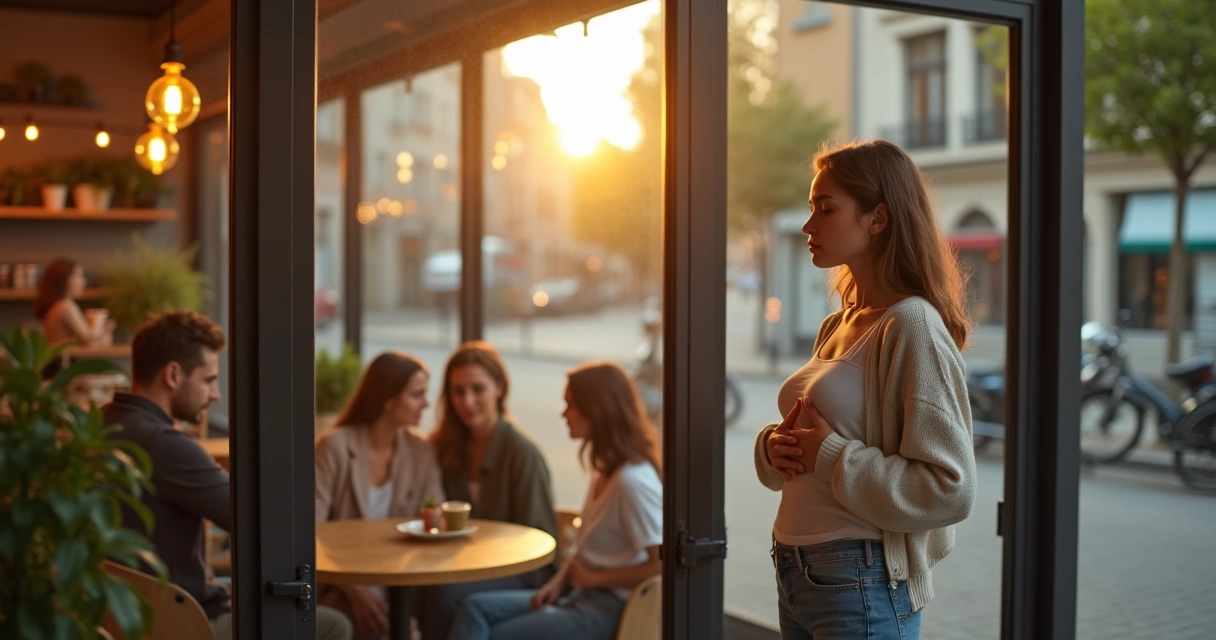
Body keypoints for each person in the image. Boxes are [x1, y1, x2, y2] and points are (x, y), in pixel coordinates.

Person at [753, 140, 977, 640]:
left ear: (878, 219)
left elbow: (950, 488)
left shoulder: (912, 325)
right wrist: (774, 447)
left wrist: (831, 456)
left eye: (825, 209)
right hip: (796, 569)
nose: (809, 225)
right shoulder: (839, 323)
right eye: (811, 209)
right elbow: (815, 444)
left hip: (860, 579)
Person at [103, 311, 352, 640]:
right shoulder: (163, 444)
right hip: (177, 620)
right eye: (208, 380)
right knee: (335, 625)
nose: (216, 394)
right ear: (173, 375)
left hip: (120, 613)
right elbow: (264, 522)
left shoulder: (100, 424)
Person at [447, 361, 662, 640]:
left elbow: (663, 566)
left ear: (596, 410)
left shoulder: (632, 482)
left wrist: (595, 580)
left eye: (571, 404)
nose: (564, 414)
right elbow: (585, 554)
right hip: (578, 594)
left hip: (607, 609)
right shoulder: (604, 470)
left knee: (498, 634)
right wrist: (557, 583)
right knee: (473, 608)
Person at [416, 341, 560, 639]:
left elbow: (539, 543)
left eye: (477, 389)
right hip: (461, 567)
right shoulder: (444, 448)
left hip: (522, 572)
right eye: (458, 391)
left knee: (444, 594)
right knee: (416, 589)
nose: (467, 401)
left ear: (499, 388)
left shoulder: (522, 454)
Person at [315, 351, 445, 638]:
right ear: (388, 400)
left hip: (402, 583)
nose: (426, 404)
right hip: (340, 584)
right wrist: (357, 592)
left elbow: (436, 518)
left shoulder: (421, 452)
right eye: (417, 395)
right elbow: (309, 532)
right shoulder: (334, 448)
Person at [34, 257, 114, 346]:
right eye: (78, 276)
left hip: (58, 359)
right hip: (65, 359)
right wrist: (99, 319)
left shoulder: (56, 305)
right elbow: (88, 338)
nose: (83, 282)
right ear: (64, 279)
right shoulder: (65, 306)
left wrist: (104, 331)